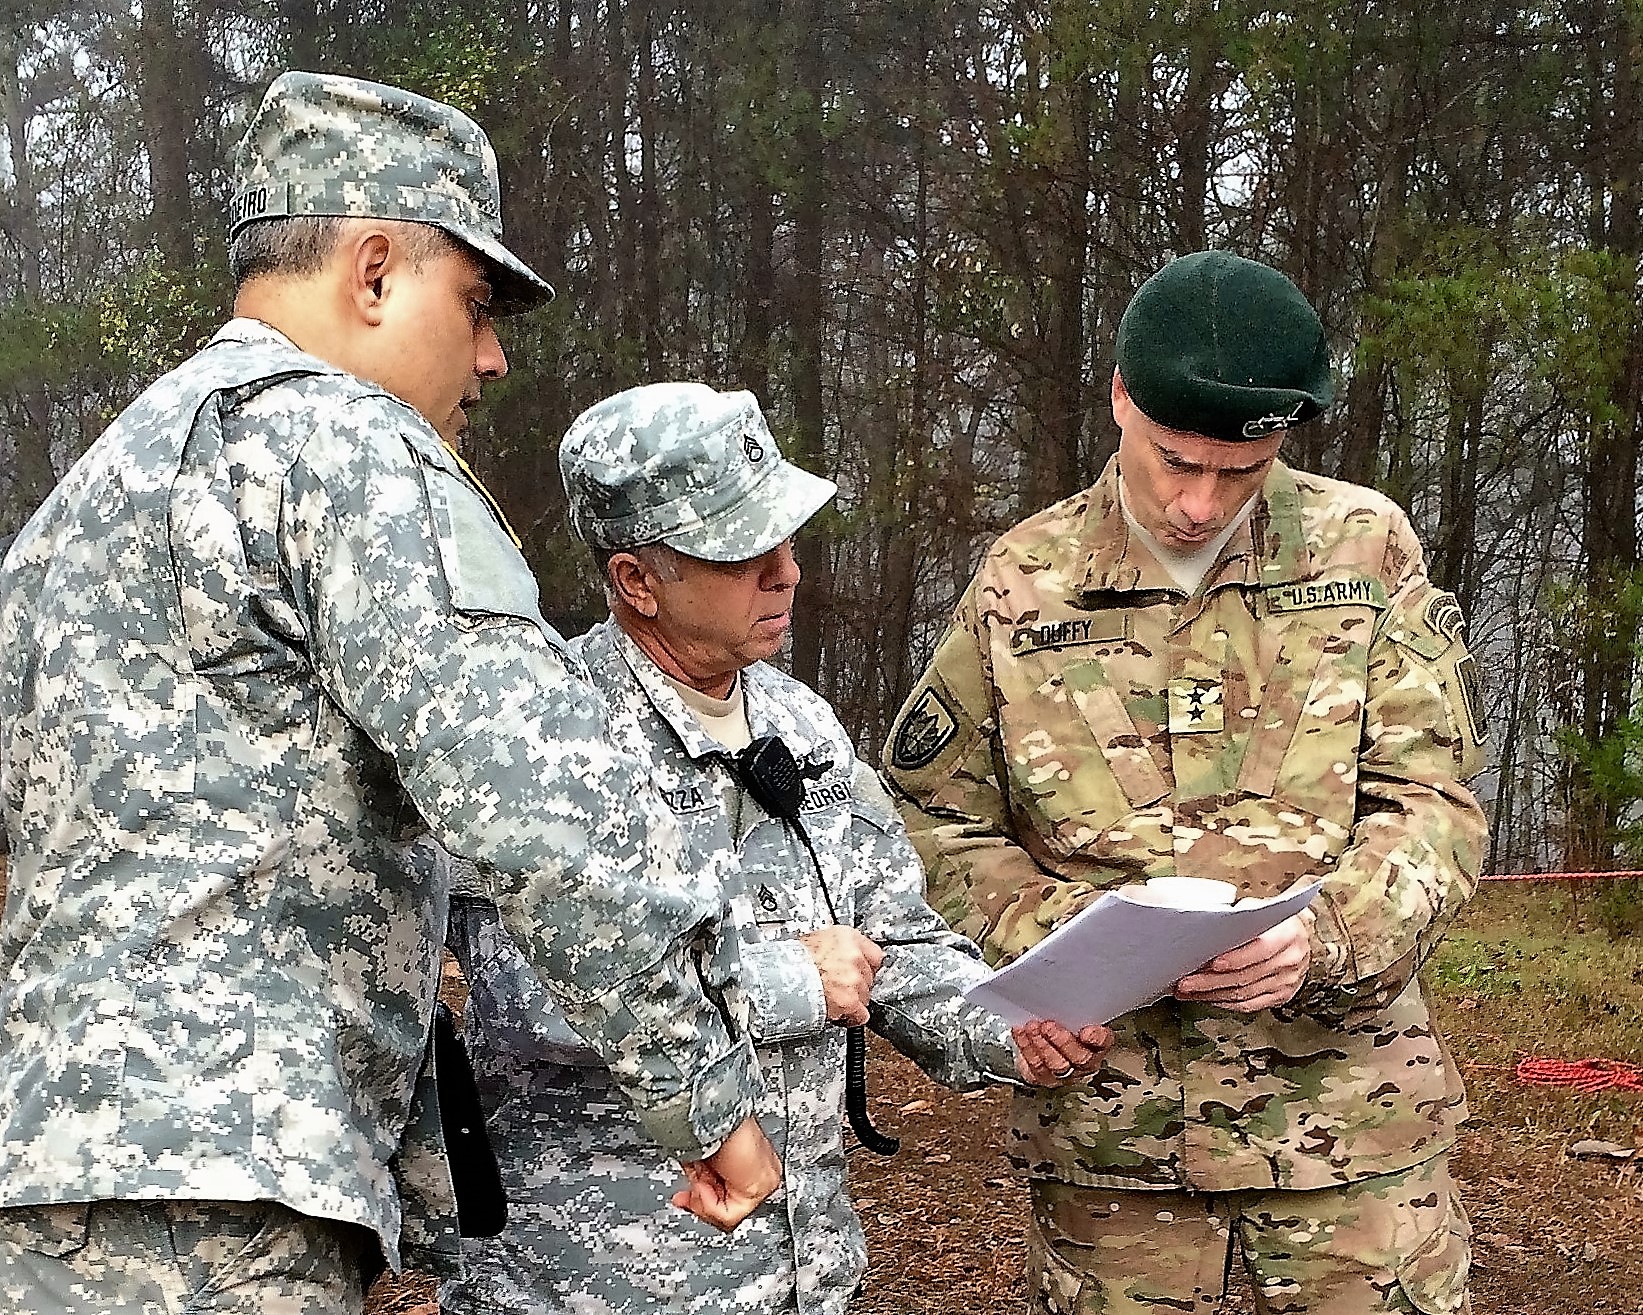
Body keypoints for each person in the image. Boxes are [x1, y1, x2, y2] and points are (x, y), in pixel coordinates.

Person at [0, 72, 779, 1315]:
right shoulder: (349, 447)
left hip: (45, 1188)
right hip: (230, 1203)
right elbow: (543, 806)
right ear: (371, 271)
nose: (490, 356)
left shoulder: (85, 498)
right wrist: (705, 1091)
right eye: (472, 301)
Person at [884, 251, 1488, 1315]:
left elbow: (1433, 803)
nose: (1199, 502)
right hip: (1115, 1150)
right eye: (1172, 461)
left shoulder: (1364, 549)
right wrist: (1064, 941)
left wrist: (1328, 935)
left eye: (1237, 471)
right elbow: (933, 814)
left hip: (1349, 1145)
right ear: (1118, 395)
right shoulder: (1024, 580)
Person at [442, 381, 1113, 1315]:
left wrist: (1010, 1025)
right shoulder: (540, 737)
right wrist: (793, 981)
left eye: (785, 538)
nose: (786, 571)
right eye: (742, 551)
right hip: (605, 1281)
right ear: (637, 579)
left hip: (803, 1272)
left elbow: (894, 939)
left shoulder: (800, 721)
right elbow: (533, 993)